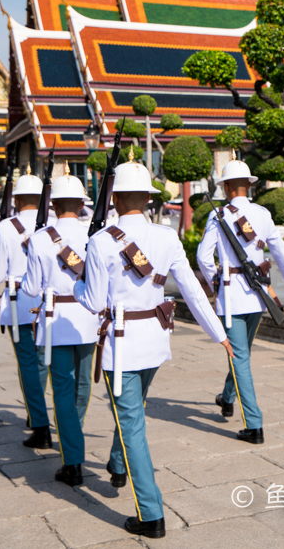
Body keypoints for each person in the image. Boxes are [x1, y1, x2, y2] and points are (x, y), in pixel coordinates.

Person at [74, 159, 231, 538]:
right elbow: (193, 290)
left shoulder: (98, 241)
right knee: (133, 409)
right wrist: (218, 333)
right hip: (156, 339)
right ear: (147, 198)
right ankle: (117, 462)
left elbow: (94, 301)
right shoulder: (167, 236)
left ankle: (151, 514)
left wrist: (79, 284)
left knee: (131, 422)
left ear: (113, 198)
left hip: (123, 344)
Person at [198, 160, 284, 445]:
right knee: (242, 354)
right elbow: (280, 251)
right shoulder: (262, 214)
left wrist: (216, 282)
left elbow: (203, 258)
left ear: (228, 187)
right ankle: (227, 397)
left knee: (240, 357)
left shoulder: (218, 215)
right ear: (248, 184)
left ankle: (254, 425)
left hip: (232, 297)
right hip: (258, 295)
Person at [22, 171, 97, 486]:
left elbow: (30, 288)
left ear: (52, 205)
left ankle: (72, 457)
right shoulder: (96, 236)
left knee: (63, 390)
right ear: (82, 204)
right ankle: (72, 436)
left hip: (55, 321)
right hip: (89, 319)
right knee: (82, 386)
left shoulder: (40, 239)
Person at [0, 171, 52, 449]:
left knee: (27, 365)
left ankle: (39, 423)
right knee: (43, 362)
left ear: (15, 199)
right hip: (49, 303)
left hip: (19, 302)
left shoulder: (5, 227)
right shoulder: (53, 224)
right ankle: (39, 413)